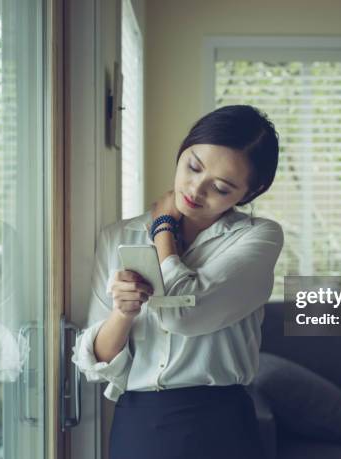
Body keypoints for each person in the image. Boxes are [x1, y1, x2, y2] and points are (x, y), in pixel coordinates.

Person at [72, 105, 283, 459]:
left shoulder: (258, 238)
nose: (195, 190)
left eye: (220, 187)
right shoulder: (118, 236)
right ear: (183, 150)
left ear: (249, 193)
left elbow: (183, 315)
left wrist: (163, 229)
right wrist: (123, 314)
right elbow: (95, 362)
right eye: (193, 166)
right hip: (137, 424)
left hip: (219, 425)